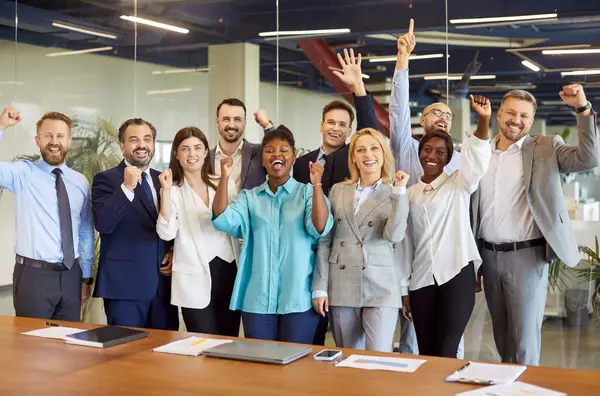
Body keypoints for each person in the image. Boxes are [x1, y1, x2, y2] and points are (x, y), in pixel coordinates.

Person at [472, 86, 598, 365]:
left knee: (525, 340)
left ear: (531, 121)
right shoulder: (481, 152)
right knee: (502, 337)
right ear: (499, 114)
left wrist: (582, 108)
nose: (517, 120)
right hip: (487, 256)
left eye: (525, 116)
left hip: (526, 257)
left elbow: (588, 159)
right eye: (512, 113)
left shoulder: (546, 146)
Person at [212, 126, 333, 343]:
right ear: (262, 160)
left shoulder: (306, 193)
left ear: (293, 159)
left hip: (298, 298)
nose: (276, 154)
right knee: (260, 367)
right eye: (269, 150)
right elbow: (222, 219)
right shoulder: (249, 197)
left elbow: (319, 227)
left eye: (284, 150)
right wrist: (224, 178)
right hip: (257, 299)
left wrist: (316, 185)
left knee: (296, 367)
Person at [400, 95, 492, 358]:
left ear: (449, 158)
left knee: (447, 347)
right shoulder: (409, 194)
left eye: (440, 152)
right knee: (427, 351)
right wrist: (402, 289)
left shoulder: (459, 185)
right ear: (419, 154)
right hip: (420, 280)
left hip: (457, 274)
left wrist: (483, 121)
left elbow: (476, 162)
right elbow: (405, 245)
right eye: (427, 150)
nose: (432, 156)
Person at [313, 128, 409, 352]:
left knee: (378, 357)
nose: (368, 155)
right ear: (353, 157)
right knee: (347, 359)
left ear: (383, 154)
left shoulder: (394, 191)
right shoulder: (337, 190)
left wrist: (400, 193)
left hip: (381, 285)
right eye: (361, 150)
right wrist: (320, 287)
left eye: (374, 148)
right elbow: (326, 240)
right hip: (341, 283)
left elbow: (394, 235)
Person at [0, 108, 94, 321]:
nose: (54, 141)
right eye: (48, 136)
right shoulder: (23, 173)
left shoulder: (80, 182)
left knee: (69, 344)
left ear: (69, 141)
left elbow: (86, 230)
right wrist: (1, 126)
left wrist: (85, 277)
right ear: (37, 140)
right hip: (33, 277)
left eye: (60, 136)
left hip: (71, 275)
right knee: (32, 347)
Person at [92, 118, 178, 330]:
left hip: (163, 288)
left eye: (147, 139)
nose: (142, 145)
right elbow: (103, 223)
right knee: (124, 354)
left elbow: (173, 225)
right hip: (124, 289)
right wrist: (126, 189)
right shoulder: (106, 179)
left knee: (165, 357)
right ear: (122, 147)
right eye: (134, 140)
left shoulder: (164, 180)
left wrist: (174, 249)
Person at [156, 127, 240, 336]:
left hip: (229, 271)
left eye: (197, 148)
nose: (192, 154)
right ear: (176, 154)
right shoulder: (171, 190)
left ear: (205, 152)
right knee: (203, 342)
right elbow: (166, 233)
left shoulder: (224, 183)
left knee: (229, 343)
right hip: (193, 278)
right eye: (185, 149)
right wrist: (166, 191)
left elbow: (237, 225)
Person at [211, 98, 270, 201]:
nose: (231, 125)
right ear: (217, 122)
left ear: (245, 123)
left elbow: (278, 148)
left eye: (237, 119)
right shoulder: (206, 158)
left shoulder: (258, 153)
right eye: (226, 119)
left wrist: (266, 124)